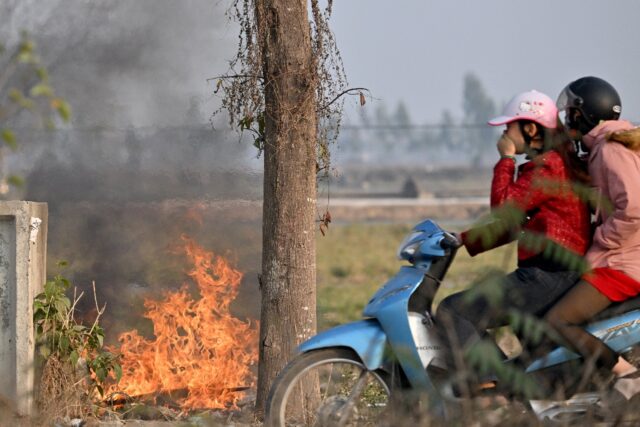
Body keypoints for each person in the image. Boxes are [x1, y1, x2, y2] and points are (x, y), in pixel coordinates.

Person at [435, 90, 592, 392]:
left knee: (454, 312)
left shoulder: (549, 166)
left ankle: (490, 389)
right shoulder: (554, 163)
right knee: (534, 360)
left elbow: (504, 211)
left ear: (530, 129)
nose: (505, 134)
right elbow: (515, 223)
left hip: (548, 275)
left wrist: (506, 159)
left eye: (509, 127)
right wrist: (462, 240)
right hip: (551, 274)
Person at [544, 76, 640, 399]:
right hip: (622, 260)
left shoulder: (612, 150)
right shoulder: (607, 146)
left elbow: (635, 207)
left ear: (586, 115)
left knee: (558, 321)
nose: (568, 120)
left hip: (621, 265)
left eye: (571, 114)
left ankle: (627, 376)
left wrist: (604, 239)